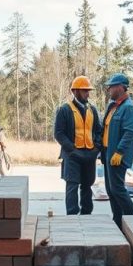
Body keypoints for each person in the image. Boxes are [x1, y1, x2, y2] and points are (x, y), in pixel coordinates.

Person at [53, 76, 102, 216]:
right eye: (84, 91)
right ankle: (72, 216)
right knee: (72, 185)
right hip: (72, 155)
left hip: (89, 154)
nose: (88, 93)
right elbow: (59, 133)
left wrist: (96, 148)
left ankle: (87, 214)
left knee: (87, 185)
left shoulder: (92, 109)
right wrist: (72, 149)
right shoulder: (64, 110)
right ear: (75, 92)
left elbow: (98, 130)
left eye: (88, 91)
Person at [100, 73, 133, 228]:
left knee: (117, 189)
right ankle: (118, 221)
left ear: (121, 87)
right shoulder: (114, 106)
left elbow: (130, 132)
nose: (109, 89)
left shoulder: (129, 108)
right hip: (108, 154)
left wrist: (120, 152)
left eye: (112, 86)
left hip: (117, 156)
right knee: (111, 189)